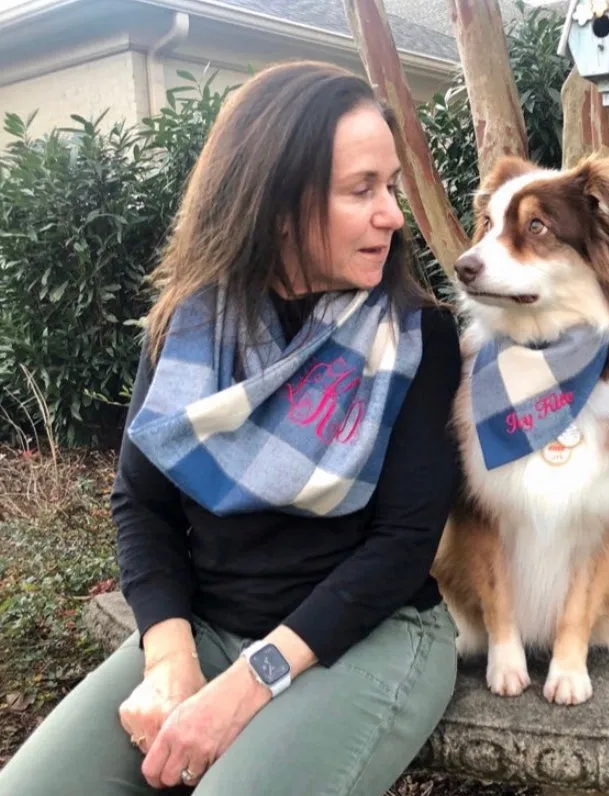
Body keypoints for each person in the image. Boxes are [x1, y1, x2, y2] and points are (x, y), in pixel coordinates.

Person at [0, 61, 461, 795]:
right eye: (361, 190)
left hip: (367, 635)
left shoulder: (415, 341)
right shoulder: (187, 330)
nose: (393, 215)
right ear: (278, 203)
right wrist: (169, 654)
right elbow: (141, 504)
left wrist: (244, 688)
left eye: (391, 186)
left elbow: (402, 550)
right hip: (209, 627)